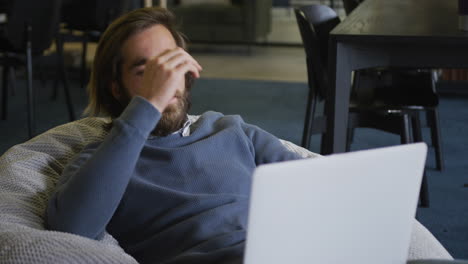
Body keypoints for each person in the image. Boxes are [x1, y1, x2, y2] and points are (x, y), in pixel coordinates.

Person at [46, 7, 303, 264]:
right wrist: (148, 106)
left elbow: (319, 184)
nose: (166, 82)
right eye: (146, 72)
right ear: (115, 87)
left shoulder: (231, 130)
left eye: (171, 64)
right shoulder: (102, 160)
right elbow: (71, 231)